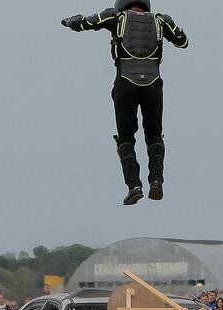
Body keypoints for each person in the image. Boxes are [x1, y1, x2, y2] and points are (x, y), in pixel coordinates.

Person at [61, 0, 189, 205]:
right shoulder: (161, 20)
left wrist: (69, 22)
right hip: (153, 83)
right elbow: (183, 41)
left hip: (125, 82)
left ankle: (134, 186)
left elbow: (86, 23)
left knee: (125, 136)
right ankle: (156, 181)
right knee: (154, 134)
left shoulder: (115, 16)